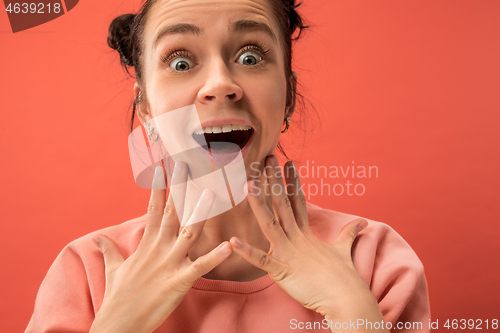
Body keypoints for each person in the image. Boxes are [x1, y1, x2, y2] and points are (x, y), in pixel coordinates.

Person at [24, 0, 431, 332]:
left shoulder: (374, 258)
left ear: (287, 97)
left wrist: (354, 315)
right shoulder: (88, 270)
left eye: (251, 56)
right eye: (181, 63)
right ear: (145, 108)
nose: (220, 84)